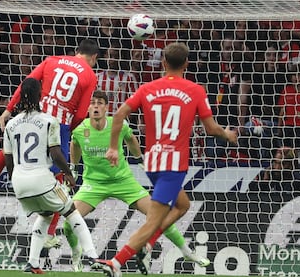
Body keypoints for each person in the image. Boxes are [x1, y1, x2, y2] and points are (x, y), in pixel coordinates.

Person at [98, 42, 238, 277]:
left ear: (163, 62)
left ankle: (150, 243)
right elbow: (212, 129)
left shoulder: (148, 88)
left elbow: (120, 113)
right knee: (153, 221)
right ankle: (116, 262)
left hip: (153, 161)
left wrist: (113, 147)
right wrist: (228, 134)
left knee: (183, 205)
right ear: (187, 64)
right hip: (173, 165)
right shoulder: (195, 90)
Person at [0, 39, 99, 259]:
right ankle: (50, 232)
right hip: (59, 123)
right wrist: (65, 129)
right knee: (59, 180)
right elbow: (82, 114)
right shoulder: (90, 75)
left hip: (35, 118)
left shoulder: (51, 60)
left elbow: (27, 82)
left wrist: (9, 109)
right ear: (93, 58)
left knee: (8, 153)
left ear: (76, 52)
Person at [64, 90, 210, 273]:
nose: (96, 106)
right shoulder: (79, 129)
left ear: (106, 107)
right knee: (68, 222)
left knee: (159, 216)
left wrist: (140, 159)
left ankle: (187, 252)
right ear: (88, 107)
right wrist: (74, 168)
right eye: (92, 103)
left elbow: (131, 139)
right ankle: (75, 251)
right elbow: (74, 145)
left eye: (100, 103)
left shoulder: (118, 125)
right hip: (93, 184)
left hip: (123, 181)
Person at [0, 77, 99, 274]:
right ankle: (93, 256)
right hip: (41, 180)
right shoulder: (48, 121)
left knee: (45, 215)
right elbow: (55, 153)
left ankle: (33, 262)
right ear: (40, 95)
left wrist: (16, 181)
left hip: (19, 183)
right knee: (71, 211)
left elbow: (8, 160)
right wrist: (68, 173)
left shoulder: (10, 125)